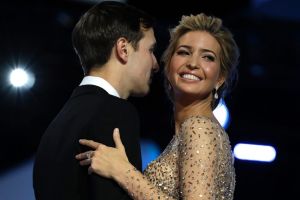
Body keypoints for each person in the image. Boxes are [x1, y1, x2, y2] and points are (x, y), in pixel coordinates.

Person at [76, 13, 239, 200]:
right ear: (168, 66)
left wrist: (123, 171)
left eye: (208, 57)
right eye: (184, 52)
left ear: (220, 78)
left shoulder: (200, 129)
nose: (193, 63)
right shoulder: (191, 131)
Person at [33, 1, 158, 200]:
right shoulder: (115, 112)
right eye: (150, 50)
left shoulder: (54, 128)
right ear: (123, 48)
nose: (155, 64)